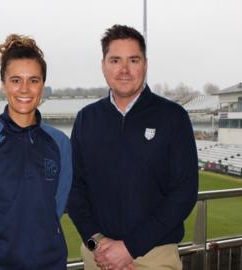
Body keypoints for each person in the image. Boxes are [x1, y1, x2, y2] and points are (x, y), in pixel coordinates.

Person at [67, 24, 198, 270]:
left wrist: (130, 248)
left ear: (145, 64)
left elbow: (184, 192)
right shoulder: (86, 118)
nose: (124, 69)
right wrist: (98, 244)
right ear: (103, 65)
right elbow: (74, 189)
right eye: (115, 60)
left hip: (155, 257)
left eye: (133, 60)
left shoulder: (173, 117)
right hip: (99, 257)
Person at [0, 34, 72, 270]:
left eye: (33, 80)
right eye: (15, 80)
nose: (25, 89)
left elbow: (57, 204)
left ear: (43, 85)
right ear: (3, 85)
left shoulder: (60, 143)